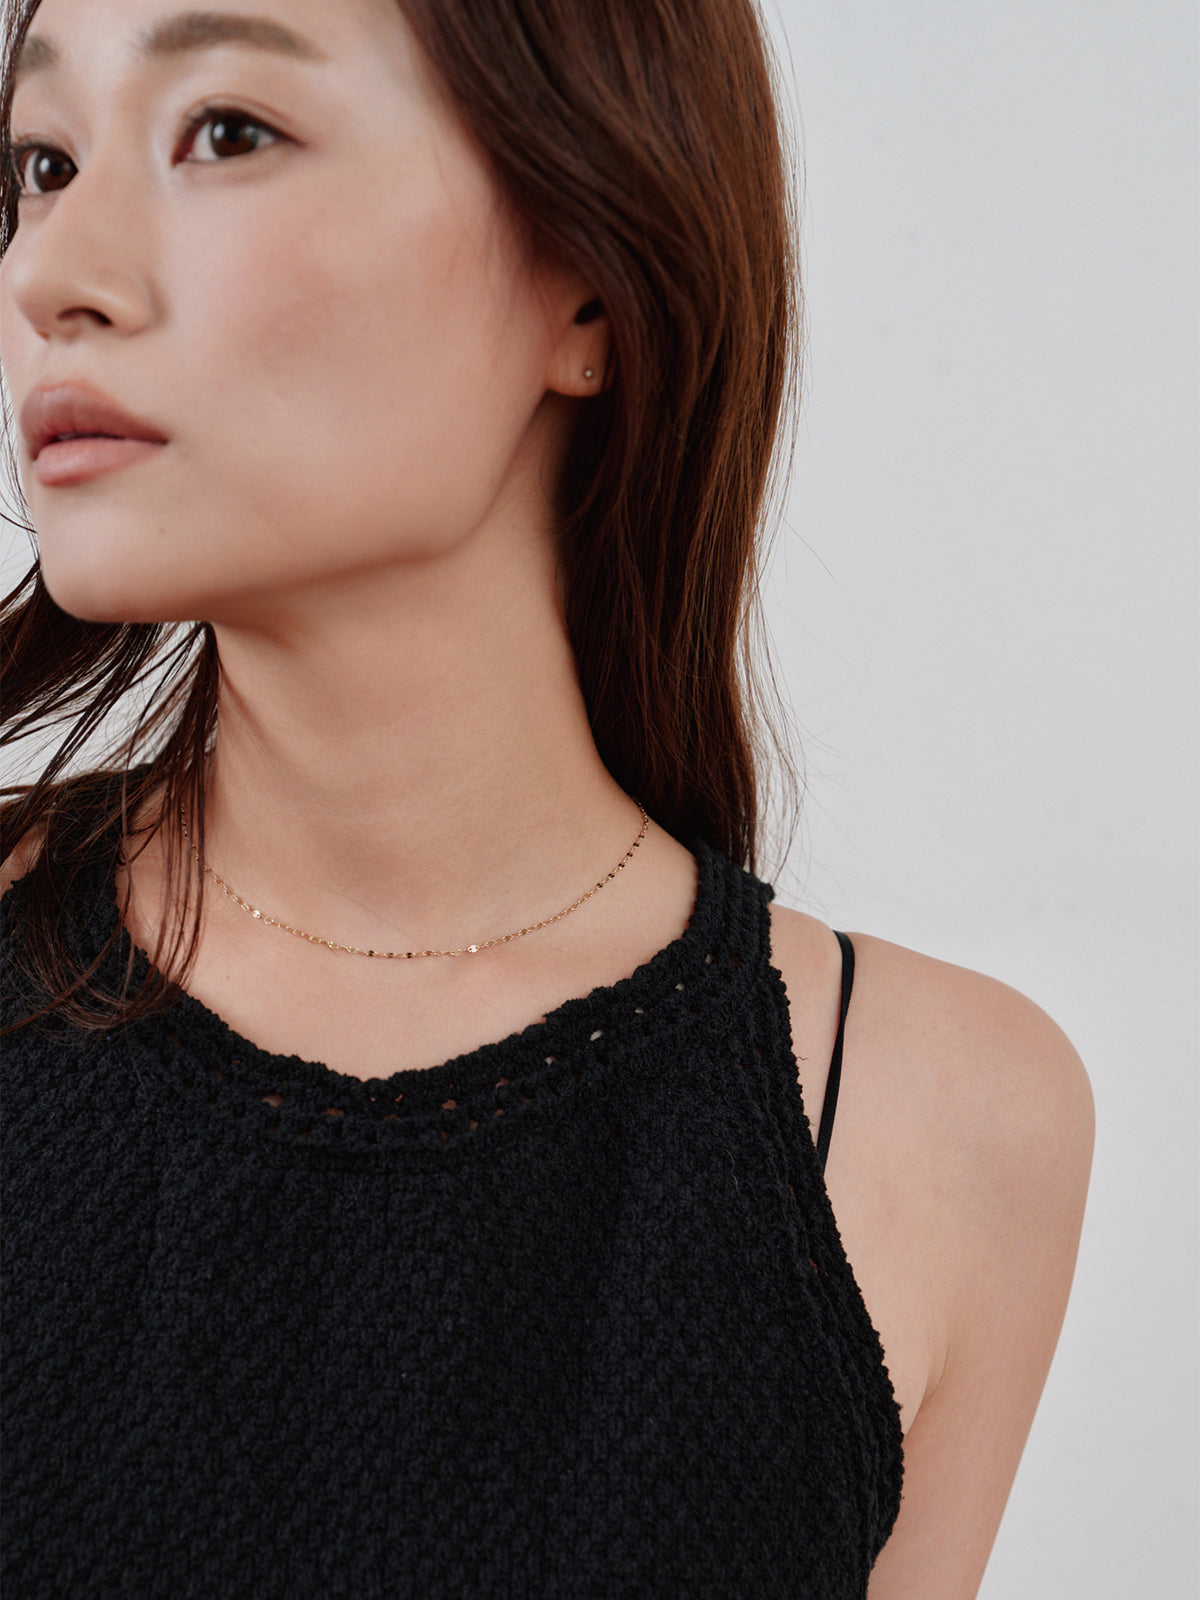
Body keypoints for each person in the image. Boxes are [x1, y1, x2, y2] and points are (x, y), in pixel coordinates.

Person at [0, 1, 1094, 1595]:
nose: (48, 270)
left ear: (588, 277)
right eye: (39, 164)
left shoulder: (930, 1124)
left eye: (227, 132)